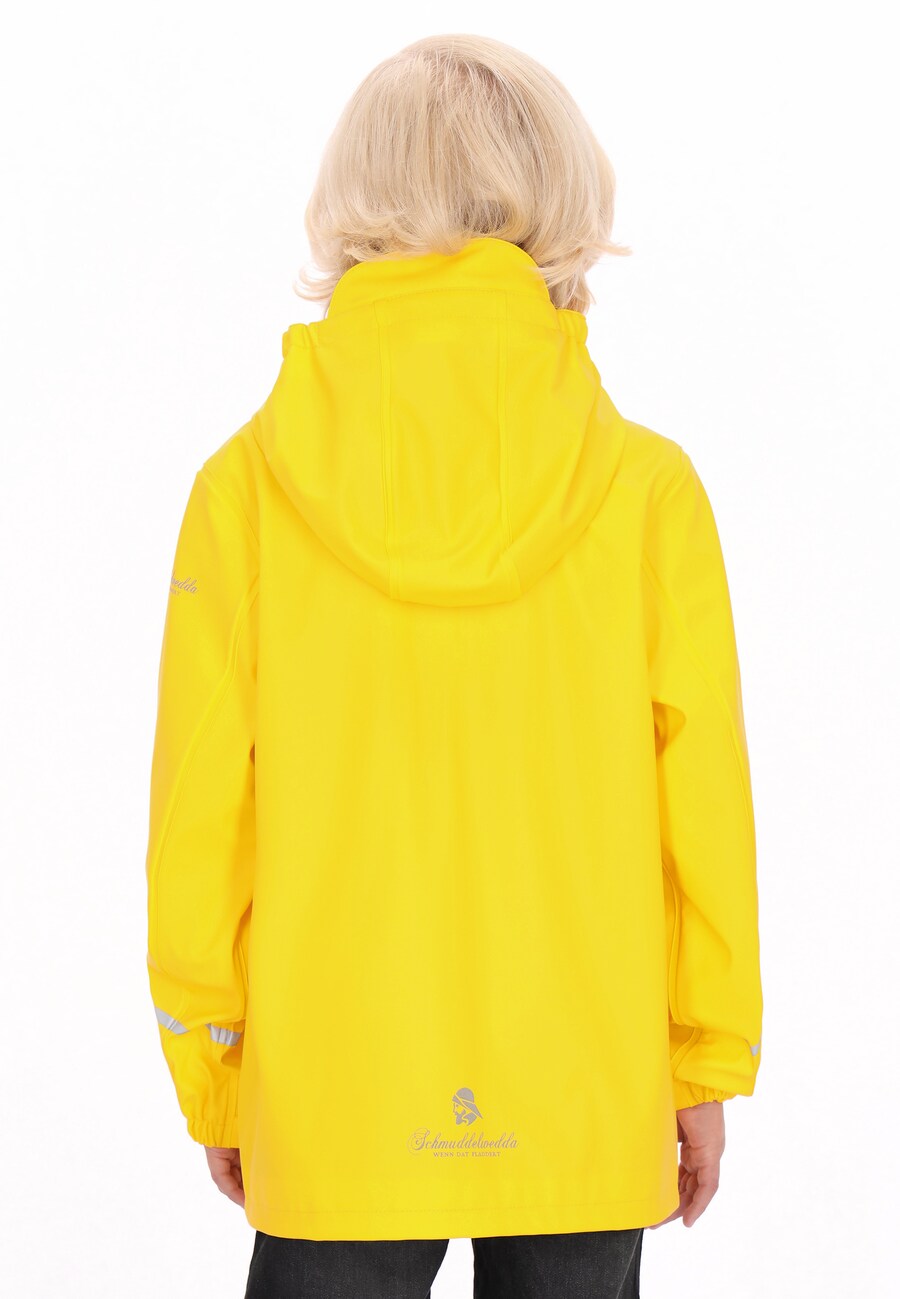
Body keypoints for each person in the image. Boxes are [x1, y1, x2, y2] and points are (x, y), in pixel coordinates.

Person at [144, 31, 763, 1299]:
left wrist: (217, 1068)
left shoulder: (244, 491)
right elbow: (703, 818)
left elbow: (201, 819)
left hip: (334, 1092)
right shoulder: (647, 492)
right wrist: (701, 1062)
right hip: (584, 1088)